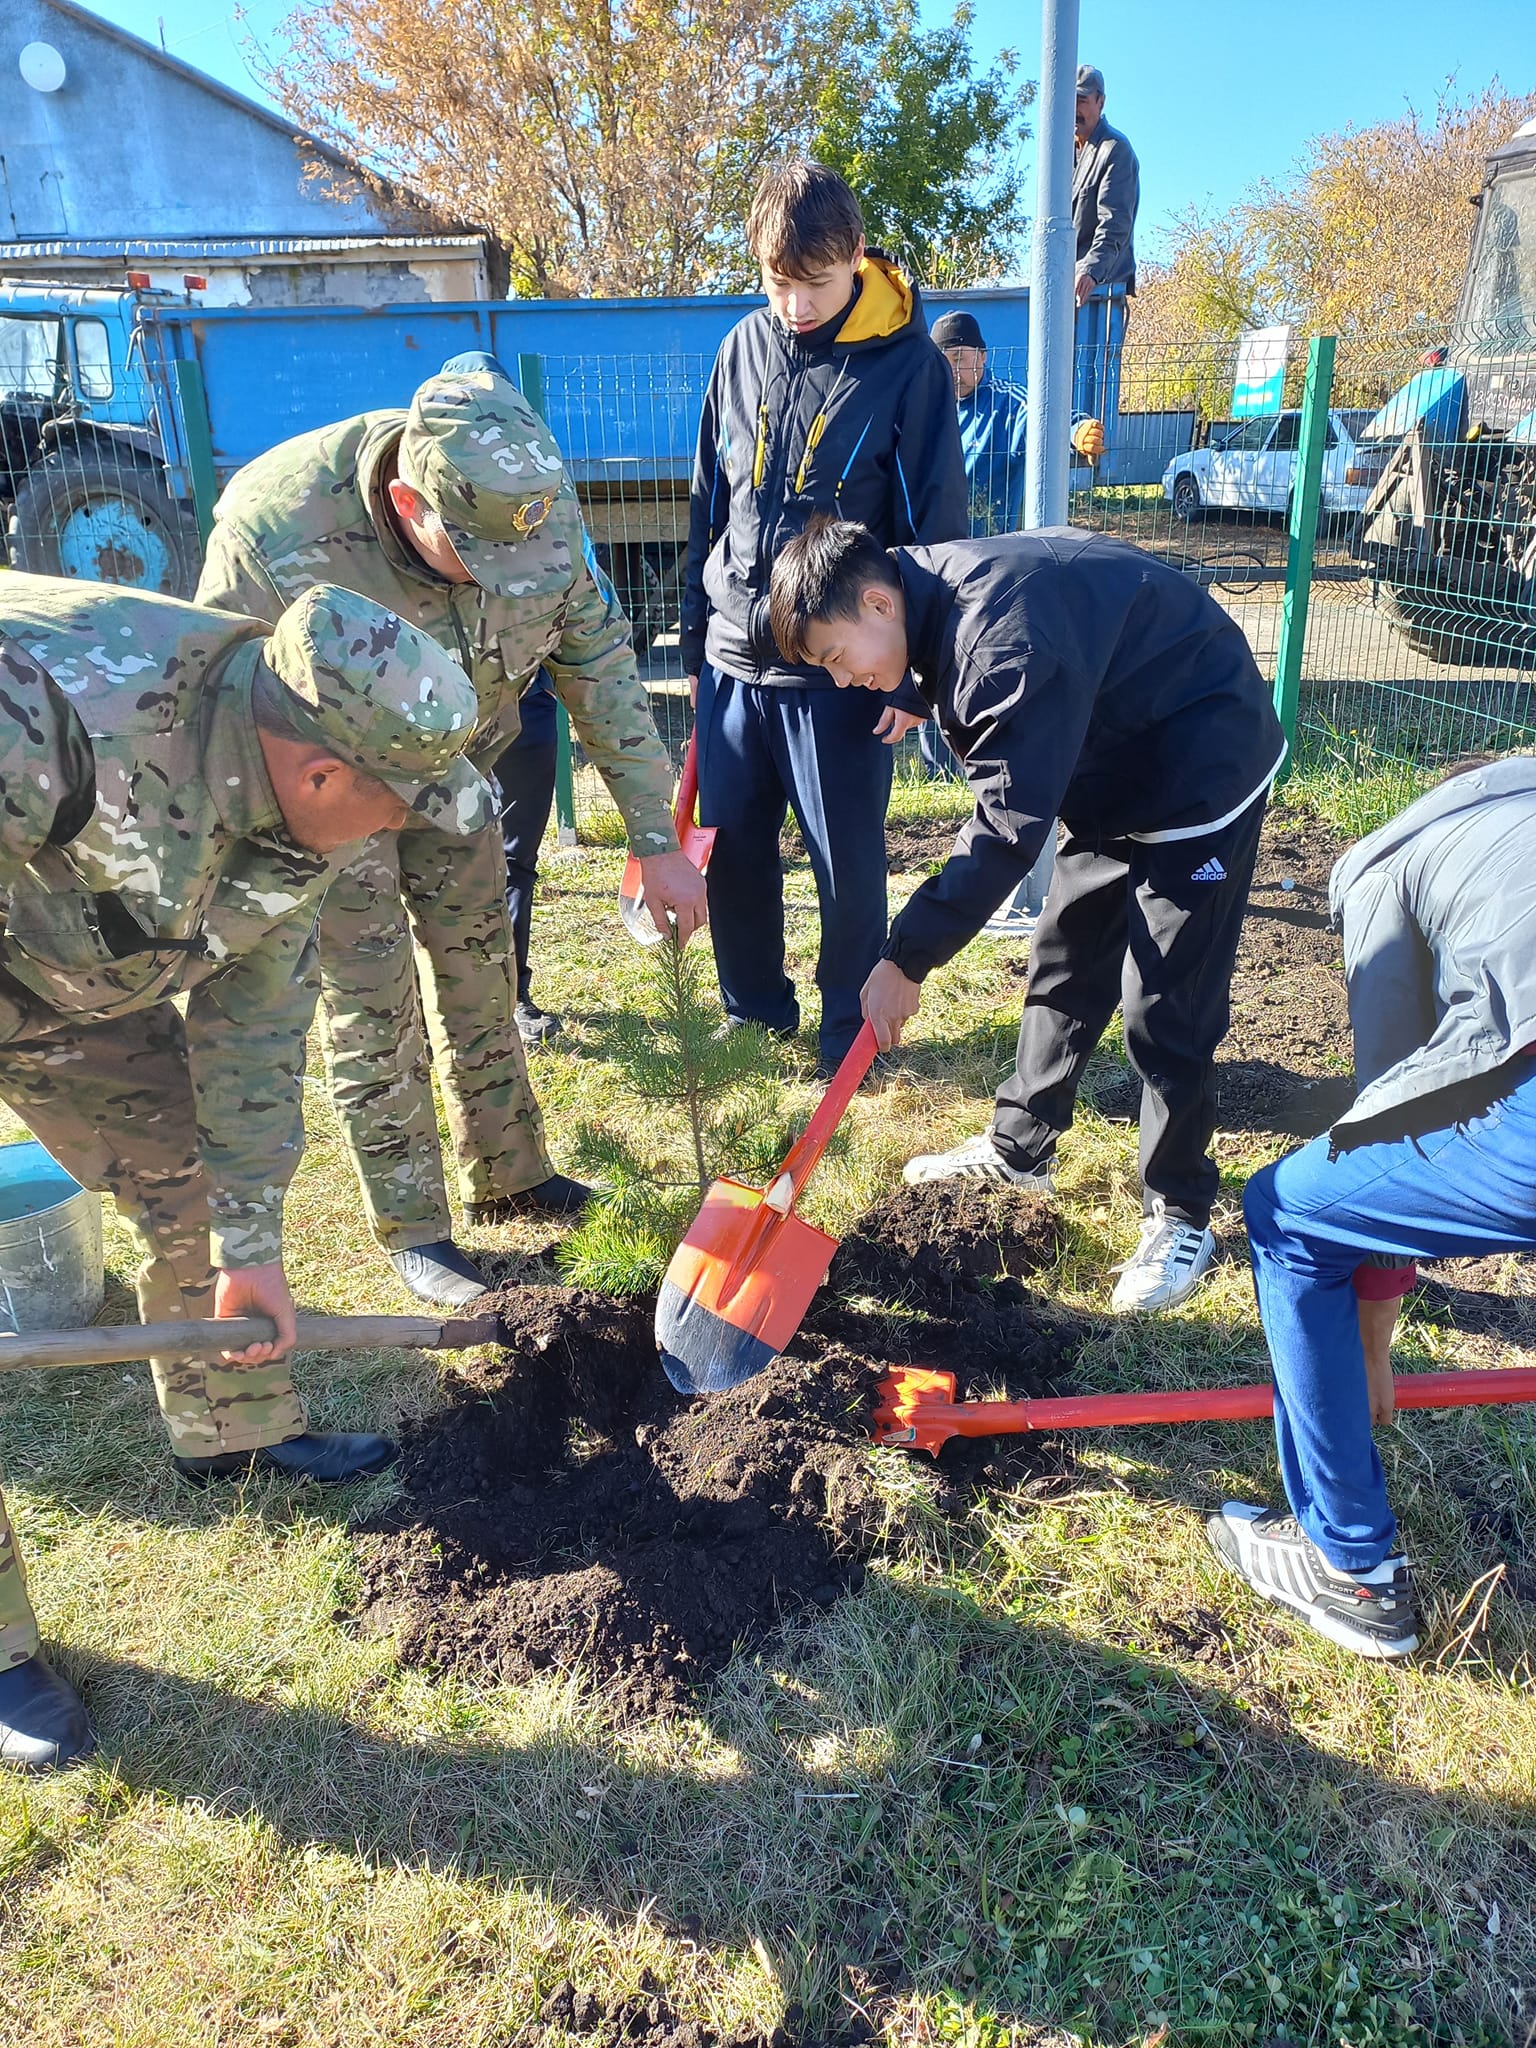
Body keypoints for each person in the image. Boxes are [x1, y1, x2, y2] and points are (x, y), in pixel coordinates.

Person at [0, 573, 491, 1769]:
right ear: (321, 774)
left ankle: (229, 1427)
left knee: (189, 1173)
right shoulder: (53, 719)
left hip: (70, 979)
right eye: (395, 807)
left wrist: (252, 1246)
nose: (395, 830)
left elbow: (254, 1034)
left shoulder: (300, 814)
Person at [197, 358, 706, 1309]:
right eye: (475, 556)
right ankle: (415, 1226)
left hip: (462, 770)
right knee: (370, 989)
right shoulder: (275, 531)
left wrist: (656, 839)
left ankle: (511, 1173)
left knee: (480, 959)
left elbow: (598, 664)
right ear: (409, 504)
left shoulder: (530, 504)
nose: (503, 576)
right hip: (332, 795)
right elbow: (220, 707)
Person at [768, 516, 1285, 1312]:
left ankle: (1180, 1210)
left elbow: (1006, 831)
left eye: (837, 658)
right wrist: (904, 685)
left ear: (876, 603)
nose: (842, 681)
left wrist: (906, 958)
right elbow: (954, 674)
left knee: (1166, 1004)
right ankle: (1020, 1149)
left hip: (1201, 758)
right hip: (1110, 753)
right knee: (1066, 959)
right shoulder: (921, 591)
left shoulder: (996, 643)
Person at [1209, 760, 1536, 1660]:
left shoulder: (1385, 862)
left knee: (1287, 1213)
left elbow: (1390, 1097)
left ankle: (1351, 1569)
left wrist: (1371, 1341)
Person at [681, 160, 968, 1078]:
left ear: (855, 257)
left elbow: (937, 531)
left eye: (815, 282)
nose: (795, 306)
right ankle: (753, 1012)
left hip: (839, 673)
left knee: (846, 863)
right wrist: (695, 638)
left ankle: (848, 1031)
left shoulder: (910, 367)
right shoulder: (739, 349)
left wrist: (922, 674)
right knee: (735, 854)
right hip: (734, 661)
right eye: (778, 283)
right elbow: (708, 498)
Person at [927, 309, 1106, 937]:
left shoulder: (1006, 405)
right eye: (946, 361)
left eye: (963, 359)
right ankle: (953, 782)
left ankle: (1010, 815)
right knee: (942, 690)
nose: (956, 371)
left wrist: (1078, 430)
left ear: (982, 358)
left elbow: (1049, 420)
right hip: (945, 575)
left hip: (1004, 580)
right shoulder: (928, 408)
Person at [495, 669, 562, 1043]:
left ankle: (511, 995)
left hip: (526, 700)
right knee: (429, 861)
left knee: (515, 862)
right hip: (432, 703)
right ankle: (428, 999)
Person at [1073, 64, 1139, 308]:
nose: (1074, 109)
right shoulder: (1061, 155)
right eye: (1069, 100)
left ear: (1100, 102)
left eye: (1081, 100)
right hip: (1065, 286)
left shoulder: (1115, 149)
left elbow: (1114, 223)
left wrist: (1090, 271)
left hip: (1102, 291)